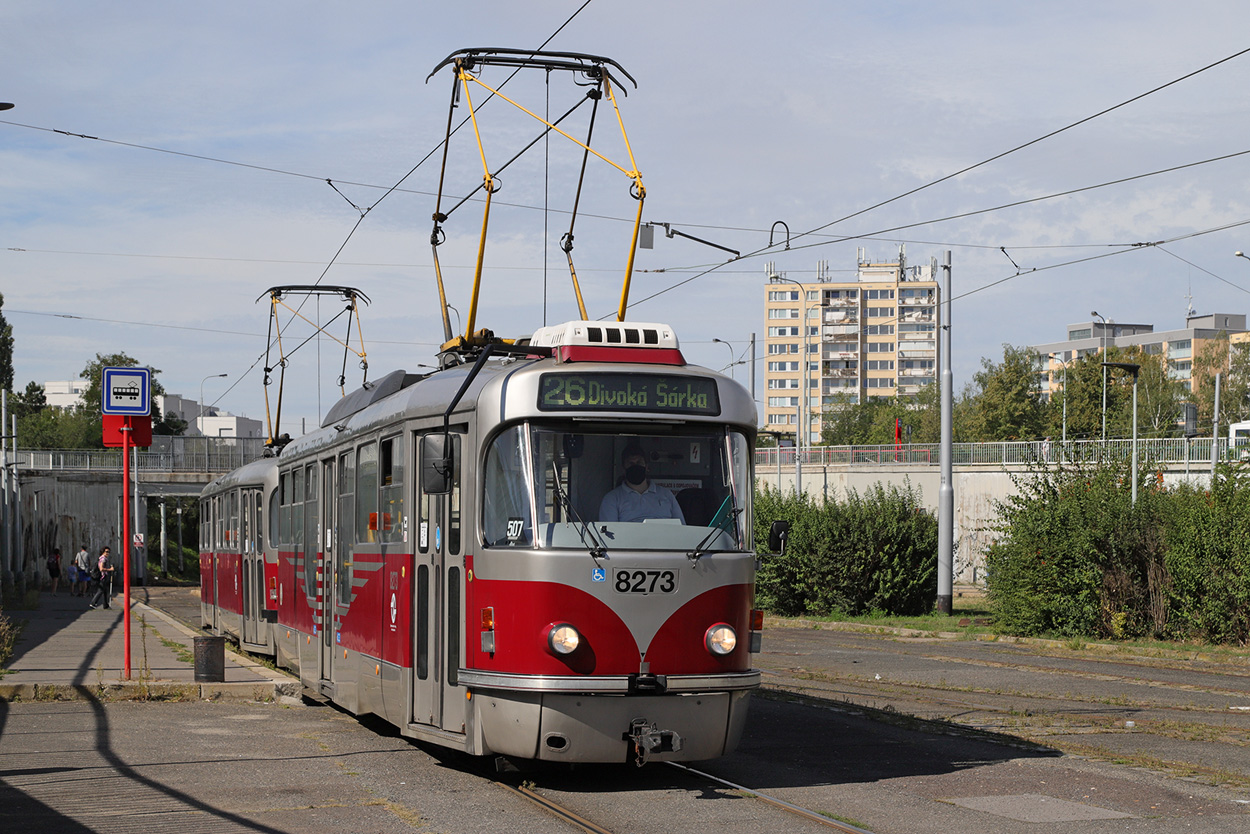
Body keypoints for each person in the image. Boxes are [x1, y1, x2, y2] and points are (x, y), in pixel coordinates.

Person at [599, 444, 685, 523]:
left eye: (639, 462)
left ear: (646, 467)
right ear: (623, 469)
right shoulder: (612, 499)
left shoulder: (666, 495)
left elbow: (682, 528)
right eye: (631, 464)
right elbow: (610, 534)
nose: (635, 466)